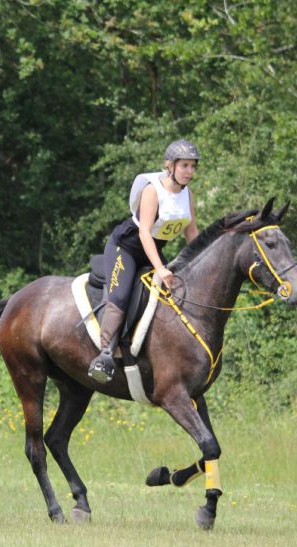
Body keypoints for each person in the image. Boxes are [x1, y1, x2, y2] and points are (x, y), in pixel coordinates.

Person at [87, 139, 201, 384]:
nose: (190, 172)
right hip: (126, 248)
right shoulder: (153, 190)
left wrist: (201, 260)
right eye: (185, 166)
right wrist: (160, 268)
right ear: (170, 166)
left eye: (193, 166)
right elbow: (144, 233)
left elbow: (191, 233)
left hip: (154, 249)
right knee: (120, 295)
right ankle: (105, 354)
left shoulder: (187, 194)